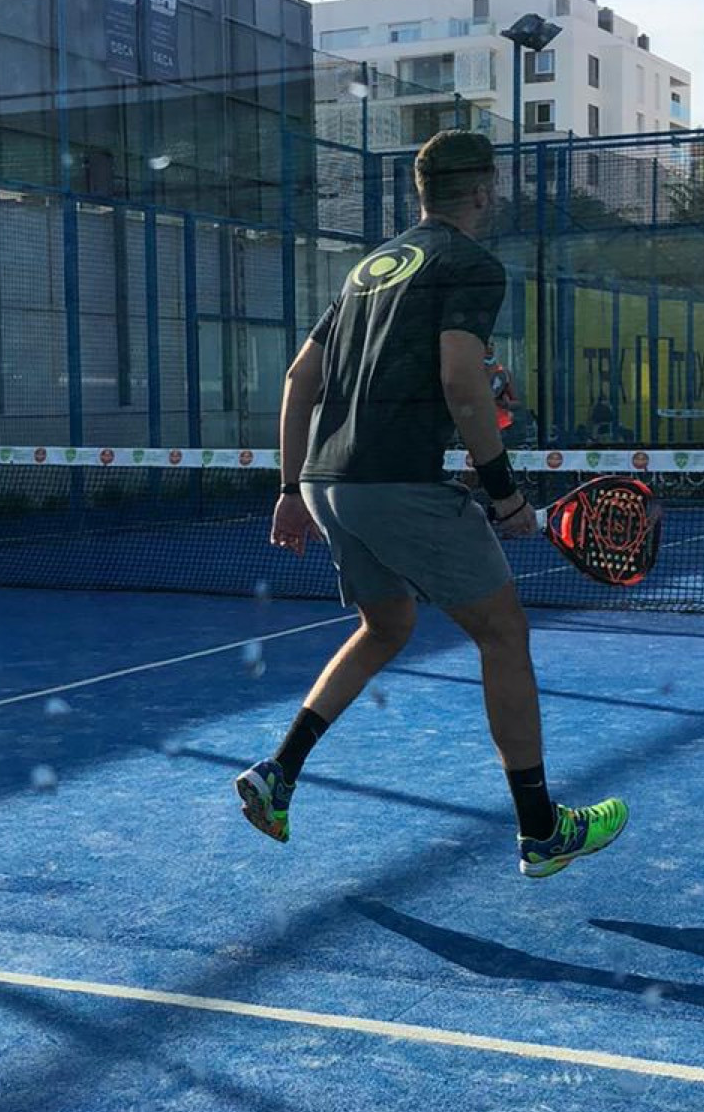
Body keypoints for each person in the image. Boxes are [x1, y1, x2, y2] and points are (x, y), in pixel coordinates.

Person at [235, 128, 628, 879]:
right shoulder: (470, 263)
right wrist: (505, 492)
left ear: (421, 191)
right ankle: (543, 831)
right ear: (482, 190)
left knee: (386, 626)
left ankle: (278, 774)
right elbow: (458, 376)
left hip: (326, 482)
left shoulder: (369, 270)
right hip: (394, 484)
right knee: (503, 633)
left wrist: (289, 490)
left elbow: (298, 380)